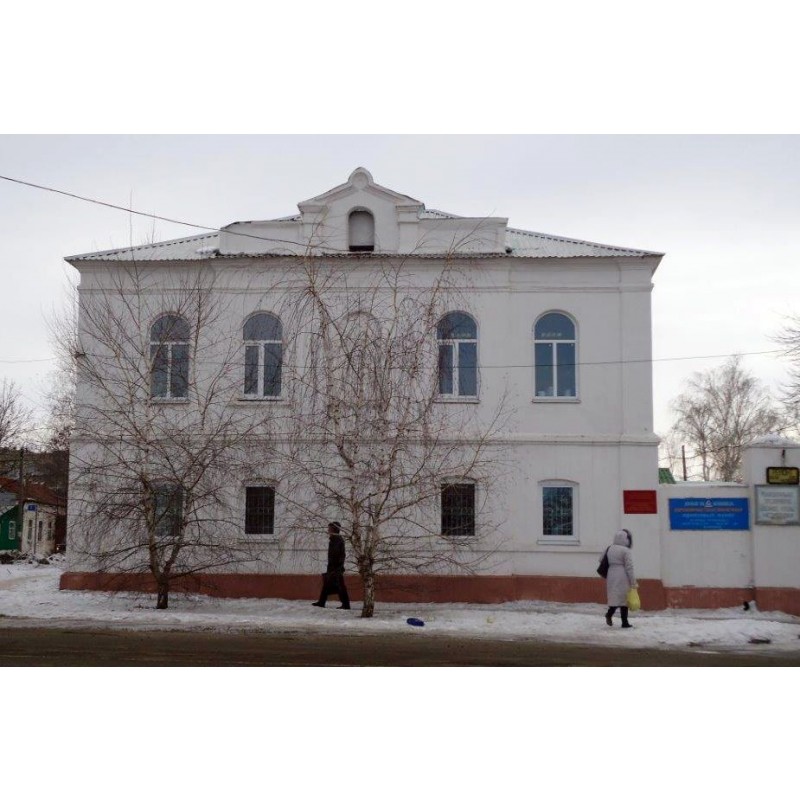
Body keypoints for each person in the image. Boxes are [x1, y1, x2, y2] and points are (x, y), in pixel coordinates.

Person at [312, 521, 351, 610]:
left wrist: (336, 568)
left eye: (329, 528)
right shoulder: (334, 539)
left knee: (340, 586)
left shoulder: (336, 540)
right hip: (334, 567)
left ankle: (346, 605)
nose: (328, 530)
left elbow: (338, 555)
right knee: (327, 584)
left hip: (336, 568)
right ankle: (321, 602)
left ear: (334, 529)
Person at [604, 528, 636, 628]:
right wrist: (633, 582)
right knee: (624, 599)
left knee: (614, 597)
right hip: (623, 575)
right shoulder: (625, 550)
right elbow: (629, 567)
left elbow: (601, 559)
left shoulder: (610, 548)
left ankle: (609, 614)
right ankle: (624, 622)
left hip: (611, 573)